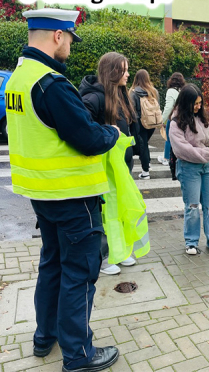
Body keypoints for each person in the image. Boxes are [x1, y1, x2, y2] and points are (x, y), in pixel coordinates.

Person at [6, 8, 120, 372]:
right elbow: (88, 137)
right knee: (79, 272)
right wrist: (113, 134)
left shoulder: (18, 79)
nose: (70, 46)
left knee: (52, 266)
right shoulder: (50, 84)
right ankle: (78, 354)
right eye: (70, 38)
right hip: (73, 197)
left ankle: (45, 337)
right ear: (57, 35)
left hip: (42, 195)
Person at [79, 51, 137, 275]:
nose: (127, 74)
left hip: (121, 166)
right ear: (112, 72)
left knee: (119, 209)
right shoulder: (93, 98)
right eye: (123, 70)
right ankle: (103, 257)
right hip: (104, 169)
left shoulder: (122, 95)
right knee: (104, 213)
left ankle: (119, 252)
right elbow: (84, 132)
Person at [169, 84, 209, 255]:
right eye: (194, 104)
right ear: (185, 103)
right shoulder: (176, 123)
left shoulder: (204, 116)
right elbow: (182, 149)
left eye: (200, 103)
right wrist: (206, 152)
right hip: (188, 168)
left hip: (207, 166)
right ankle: (191, 242)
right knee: (192, 206)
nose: (198, 107)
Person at [129, 69, 161, 179]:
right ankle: (148, 163)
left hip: (139, 122)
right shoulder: (154, 91)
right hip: (152, 122)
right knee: (145, 143)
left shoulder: (133, 92)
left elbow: (131, 109)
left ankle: (145, 171)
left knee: (142, 145)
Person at [159, 72, 184, 166]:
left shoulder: (171, 91)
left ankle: (166, 158)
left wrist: (161, 119)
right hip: (183, 117)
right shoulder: (182, 90)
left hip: (173, 118)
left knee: (169, 138)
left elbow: (168, 107)